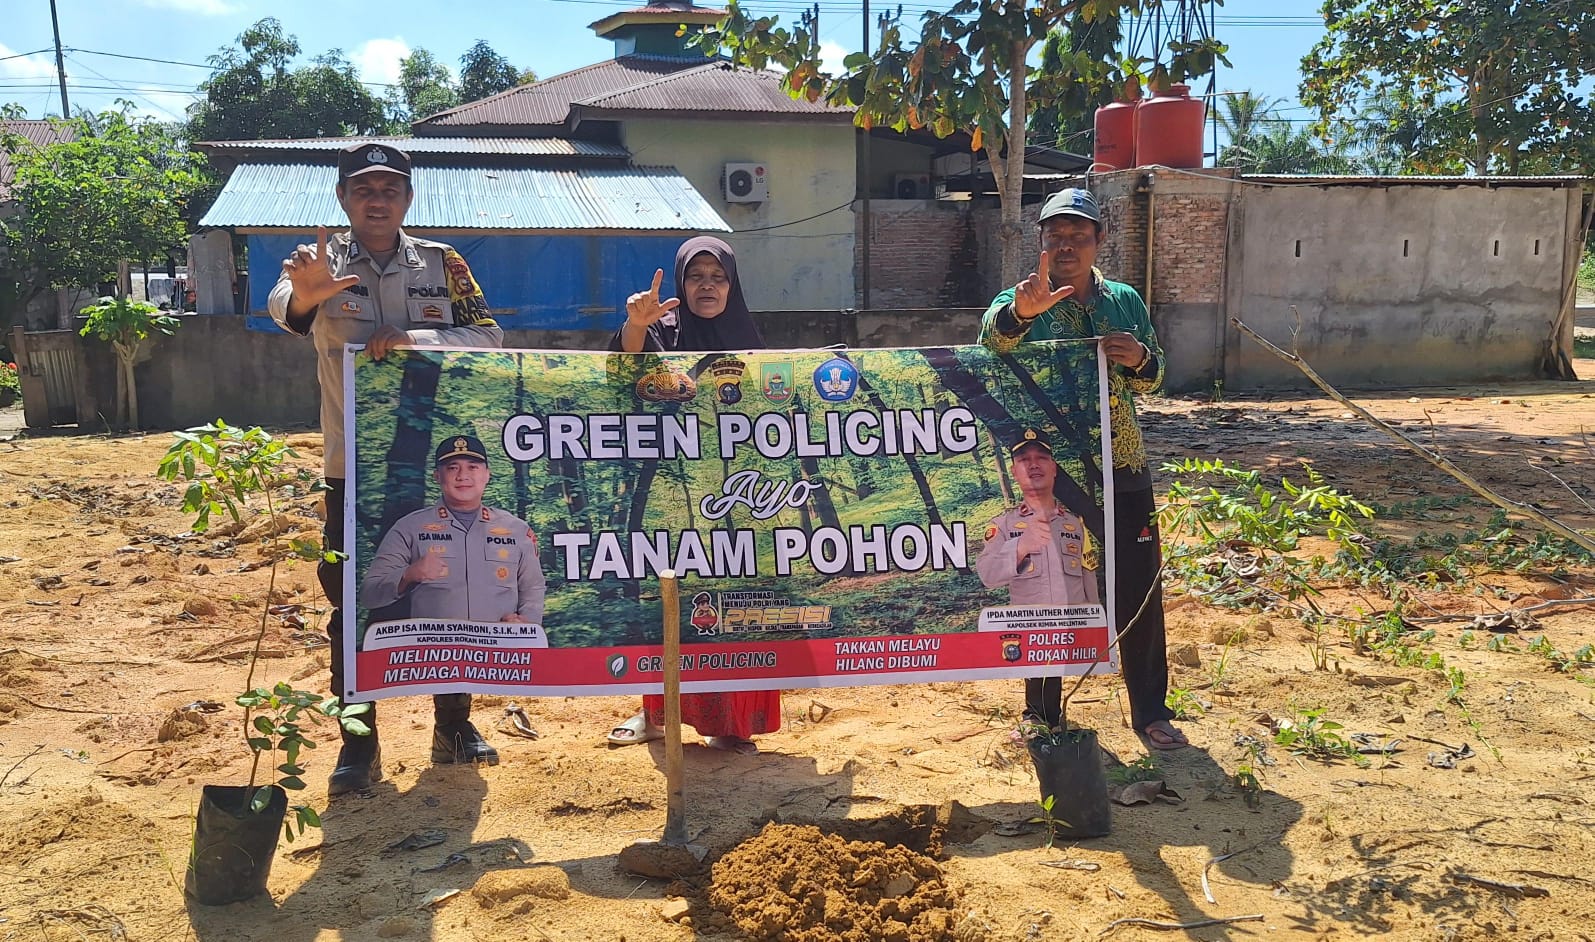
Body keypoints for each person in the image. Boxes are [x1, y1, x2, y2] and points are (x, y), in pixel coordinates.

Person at [267, 141, 505, 794]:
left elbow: (487, 335)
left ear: (407, 199)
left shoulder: (442, 262)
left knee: (453, 598)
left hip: (438, 472)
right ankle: (357, 744)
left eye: (390, 189)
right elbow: (285, 307)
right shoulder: (321, 263)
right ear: (343, 198)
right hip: (352, 475)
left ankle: (454, 725)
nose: (378, 199)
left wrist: (417, 339)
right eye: (364, 188)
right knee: (350, 607)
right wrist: (305, 298)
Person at [977, 187, 1189, 751]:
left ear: (1100, 242)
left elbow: (1155, 375)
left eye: (1078, 236)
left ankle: (1150, 710)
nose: (1066, 245)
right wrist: (1022, 313)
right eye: (1056, 235)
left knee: (1138, 585)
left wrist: (1140, 359)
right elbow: (988, 349)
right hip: (1056, 476)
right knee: (1047, 586)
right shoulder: (1019, 300)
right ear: (1041, 242)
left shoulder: (1123, 302)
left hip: (1123, 465)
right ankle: (1042, 713)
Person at [605, 235, 778, 755]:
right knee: (671, 605)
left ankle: (733, 721)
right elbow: (623, 375)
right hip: (670, 494)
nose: (707, 285)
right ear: (682, 282)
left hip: (737, 501)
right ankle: (655, 715)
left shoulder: (750, 340)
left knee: (735, 606)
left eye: (718, 276)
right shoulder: (660, 333)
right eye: (696, 276)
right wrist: (636, 326)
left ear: (733, 284)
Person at [361, 434, 547, 763]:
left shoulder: (515, 529)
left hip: (499, 653)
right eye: (453, 467)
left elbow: (533, 586)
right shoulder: (411, 528)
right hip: (430, 654)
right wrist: (410, 574)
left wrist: (528, 622)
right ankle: (446, 730)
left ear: (487, 474)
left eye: (473, 466)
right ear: (438, 476)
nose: (463, 475)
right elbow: (369, 592)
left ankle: (455, 730)